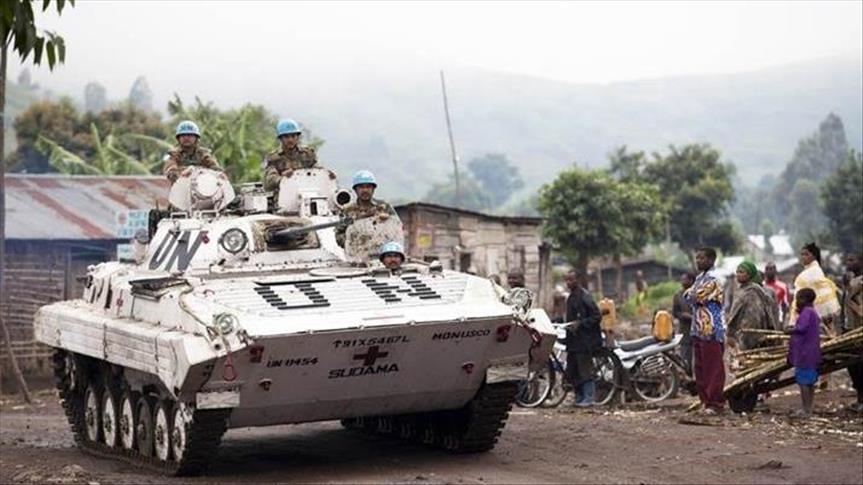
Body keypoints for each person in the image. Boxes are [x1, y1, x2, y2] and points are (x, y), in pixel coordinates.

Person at [684, 247, 726, 414]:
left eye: (701, 258)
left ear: (711, 260)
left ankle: (715, 403)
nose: (698, 261)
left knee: (713, 368)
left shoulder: (715, 278)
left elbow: (696, 296)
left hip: (712, 328)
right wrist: (692, 295)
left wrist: (692, 294)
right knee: (700, 368)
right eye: (697, 258)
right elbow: (688, 297)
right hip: (698, 328)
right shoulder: (699, 278)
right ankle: (705, 401)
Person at [562, 269, 602, 407]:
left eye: (571, 279)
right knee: (573, 370)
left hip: (585, 341)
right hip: (574, 341)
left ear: (577, 280)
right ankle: (579, 398)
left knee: (585, 369)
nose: (568, 282)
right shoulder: (571, 297)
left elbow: (597, 316)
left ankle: (589, 398)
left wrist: (580, 324)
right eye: (566, 280)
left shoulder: (585, 296)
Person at [336, 170, 400, 247]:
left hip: (381, 250)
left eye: (368, 187)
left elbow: (397, 228)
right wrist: (352, 241)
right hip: (357, 251)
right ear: (355, 190)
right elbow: (339, 234)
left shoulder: (384, 207)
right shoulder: (347, 210)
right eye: (361, 187)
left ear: (373, 189)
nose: (365, 190)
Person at [726, 261, 780, 351]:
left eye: (741, 272)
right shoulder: (741, 290)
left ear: (749, 274)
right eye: (737, 272)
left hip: (751, 331)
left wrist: (729, 332)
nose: (738, 275)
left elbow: (765, 311)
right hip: (743, 332)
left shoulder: (754, 291)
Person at [786, 288, 821, 417]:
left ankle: (805, 410)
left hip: (804, 353)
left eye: (799, 298)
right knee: (809, 382)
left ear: (805, 300)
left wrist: (790, 330)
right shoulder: (812, 312)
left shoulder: (807, 311)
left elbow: (802, 328)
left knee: (804, 382)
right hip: (811, 353)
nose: (797, 301)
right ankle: (808, 408)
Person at [790, 242, 840, 328]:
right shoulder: (811, 271)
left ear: (814, 256)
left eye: (806, 254)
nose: (803, 257)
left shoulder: (812, 272)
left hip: (811, 316)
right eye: (802, 254)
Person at [263, 118, 320, 192]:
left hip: (306, 192)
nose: (290, 140)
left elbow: (318, 172)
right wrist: (283, 178)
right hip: (283, 195)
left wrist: (327, 175)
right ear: (280, 138)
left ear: (297, 137)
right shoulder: (273, 158)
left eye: (293, 136)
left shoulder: (308, 154)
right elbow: (269, 183)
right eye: (286, 136)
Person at [840, 252, 863, 411]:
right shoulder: (852, 281)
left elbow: (856, 304)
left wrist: (848, 287)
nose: (848, 263)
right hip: (850, 330)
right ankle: (859, 399)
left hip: (859, 331)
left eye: (852, 260)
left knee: (860, 366)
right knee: (853, 366)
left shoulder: (860, 282)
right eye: (847, 260)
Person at [672, 272, 695, 371]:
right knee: (685, 358)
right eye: (682, 280)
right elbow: (675, 312)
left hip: (699, 330)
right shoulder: (678, 296)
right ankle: (688, 375)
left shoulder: (698, 293)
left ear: (691, 281)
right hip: (685, 330)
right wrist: (684, 315)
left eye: (685, 280)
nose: (682, 282)